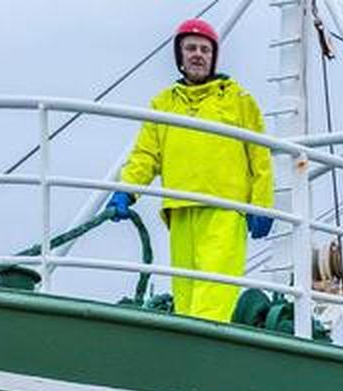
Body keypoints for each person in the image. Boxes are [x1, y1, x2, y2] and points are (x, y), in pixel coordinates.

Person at [109, 18, 275, 322]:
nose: (198, 54)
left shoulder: (239, 100)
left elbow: (259, 157)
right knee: (185, 299)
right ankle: (190, 355)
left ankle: (204, 351)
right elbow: (145, 155)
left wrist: (262, 205)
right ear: (180, 56)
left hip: (224, 210)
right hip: (180, 210)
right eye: (190, 48)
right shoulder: (162, 104)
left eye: (204, 49)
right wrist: (125, 190)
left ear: (214, 57)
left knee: (213, 296)